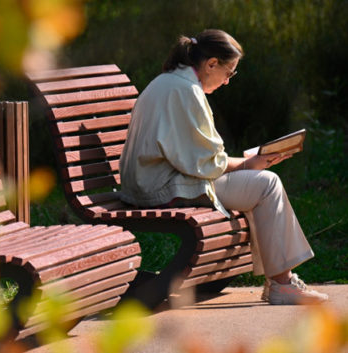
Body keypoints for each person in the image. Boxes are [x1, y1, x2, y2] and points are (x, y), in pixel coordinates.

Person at [119, 29, 328, 305]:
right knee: (267, 184)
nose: (228, 82)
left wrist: (248, 164)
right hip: (161, 189)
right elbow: (208, 163)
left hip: (154, 182)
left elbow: (198, 157)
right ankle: (282, 284)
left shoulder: (172, 82)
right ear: (211, 64)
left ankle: (282, 283)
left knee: (259, 181)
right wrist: (250, 163)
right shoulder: (186, 90)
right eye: (229, 73)